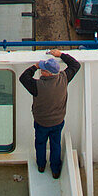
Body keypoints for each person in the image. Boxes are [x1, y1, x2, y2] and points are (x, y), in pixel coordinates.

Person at [19, 48, 81, 178]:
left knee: (40, 143)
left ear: (47, 73)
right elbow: (76, 65)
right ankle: (55, 170)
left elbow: (23, 77)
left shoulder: (37, 86)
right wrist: (61, 55)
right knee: (55, 144)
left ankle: (41, 165)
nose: (41, 71)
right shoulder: (64, 78)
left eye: (42, 69)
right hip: (58, 122)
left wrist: (35, 66)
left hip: (41, 123)